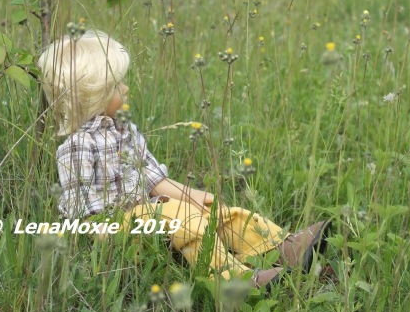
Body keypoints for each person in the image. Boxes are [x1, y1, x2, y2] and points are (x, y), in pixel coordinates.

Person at [37, 29, 330, 289]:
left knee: (219, 213)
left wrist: (191, 195)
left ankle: (280, 248)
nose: (125, 88)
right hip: (119, 229)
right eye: (116, 86)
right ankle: (234, 279)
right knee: (185, 218)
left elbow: (154, 179)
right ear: (90, 97)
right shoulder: (77, 147)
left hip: (152, 212)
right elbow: (86, 217)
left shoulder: (125, 131)